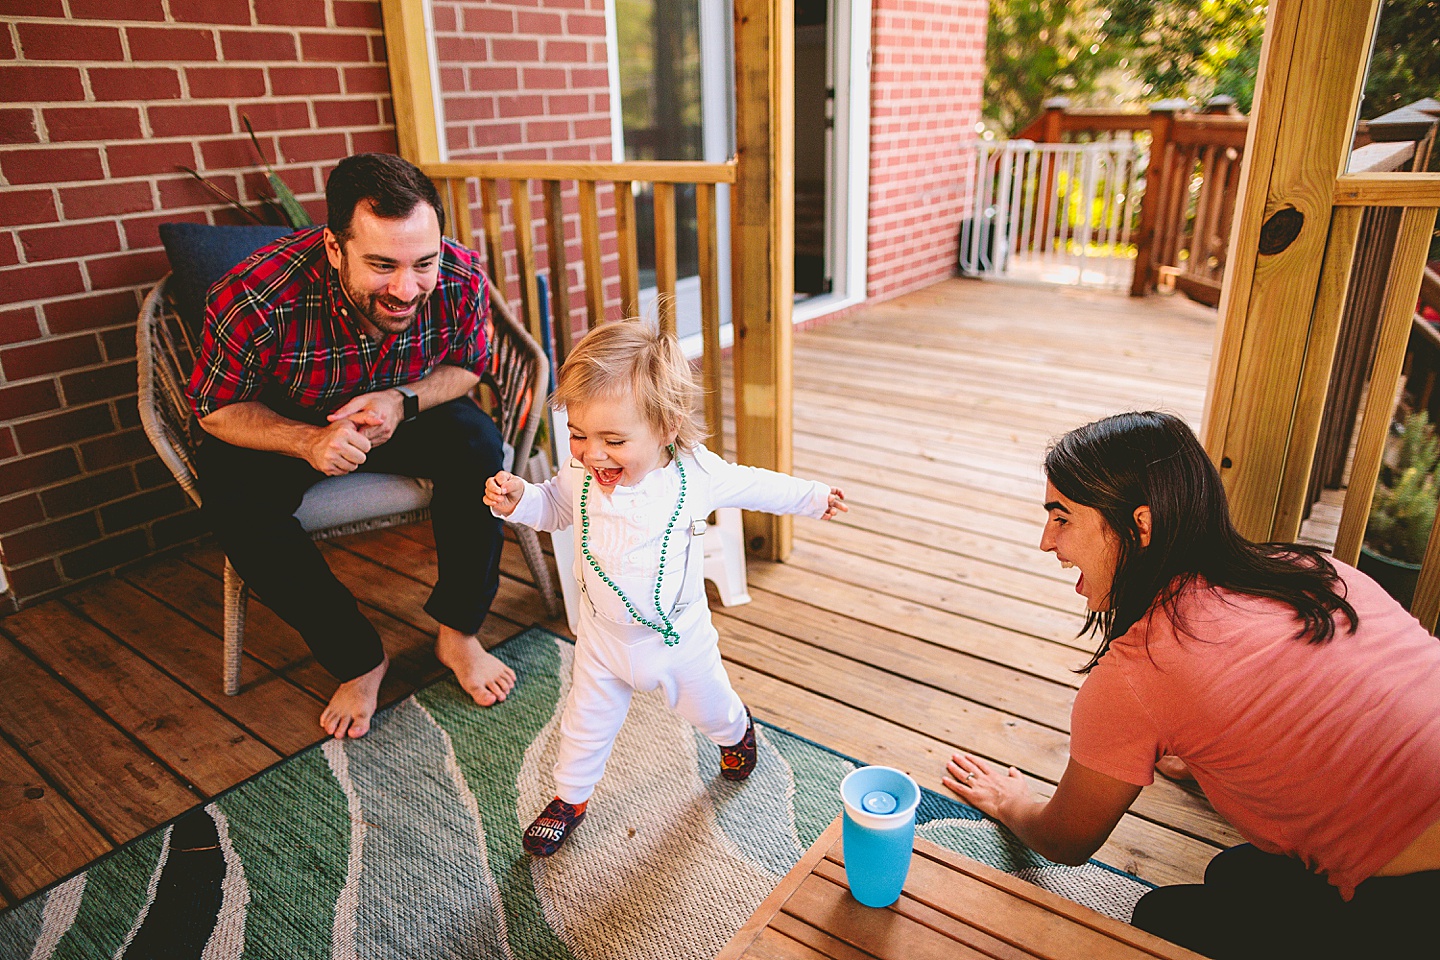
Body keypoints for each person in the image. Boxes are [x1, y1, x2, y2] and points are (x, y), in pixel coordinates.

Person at [941, 411, 1440, 959]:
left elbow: (1066, 840)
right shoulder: (1309, 568)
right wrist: (1199, 753)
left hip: (1422, 901)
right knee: (1237, 871)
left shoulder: (1138, 675)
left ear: (1141, 526)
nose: (1045, 542)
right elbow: (1317, 715)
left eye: (1062, 518)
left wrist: (1012, 802)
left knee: (1165, 919)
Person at [484, 320, 848, 856]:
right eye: (579, 434)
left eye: (613, 440)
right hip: (602, 640)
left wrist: (813, 497)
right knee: (584, 725)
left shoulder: (695, 474)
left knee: (711, 708)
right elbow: (555, 509)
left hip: (679, 640)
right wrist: (521, 500)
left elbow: (756, 484)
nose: (593, 454)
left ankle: (736, 734)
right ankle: (571, 798)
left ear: (667, 428)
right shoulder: (579, 475)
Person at [188, 153, 515, 740]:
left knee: (478, 444)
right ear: (335, 249)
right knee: (233, 502)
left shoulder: (462, 275)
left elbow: (469, 367)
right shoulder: (254, 297)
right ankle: (358, 659)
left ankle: (459, 632)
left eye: (423, 263)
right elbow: (216, 409)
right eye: (382, 264)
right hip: (287, 419)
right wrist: (307, 439)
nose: (406, 289)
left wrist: (403, 401)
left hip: (401, 405)